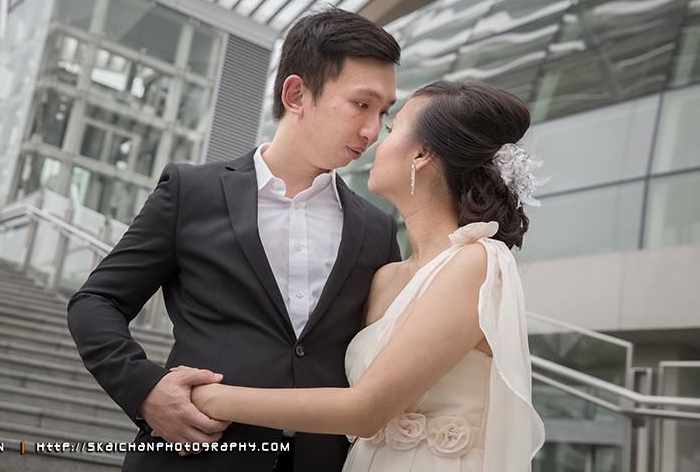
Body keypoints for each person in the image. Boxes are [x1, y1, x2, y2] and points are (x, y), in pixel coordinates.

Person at [66, 6, 402, 472]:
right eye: (362, 105)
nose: (374, 131)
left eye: (385, 112)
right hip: (194, 455)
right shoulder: (192, 192)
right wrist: (145, 390)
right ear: (296, 94)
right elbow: (96, 300)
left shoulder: (378, 228)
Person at [186, 80, 547, 471]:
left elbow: (364, 410)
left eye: (392, 130)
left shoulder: (475, 262)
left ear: (422, 154)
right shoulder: (384, 277)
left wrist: (201, 398)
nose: (375, 140)